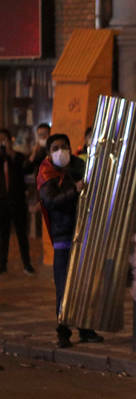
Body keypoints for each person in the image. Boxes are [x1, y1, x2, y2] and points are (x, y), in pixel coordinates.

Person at [37, 133, 104, 348]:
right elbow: (52, 201)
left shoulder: (74, 168)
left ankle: (85, 329)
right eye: (55, 147)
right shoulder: (47, 174)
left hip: (80, 232)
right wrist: (74, 191)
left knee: (83, 284)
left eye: (64, 146)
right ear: (49, 153)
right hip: (63, 237)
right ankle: (63, 332)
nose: (61, 151)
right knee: (64, 288)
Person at [0, 128, 35, 275]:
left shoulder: (18, 157)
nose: (1, 142)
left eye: (4, 139)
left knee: (22, 235)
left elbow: (27, 169)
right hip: (1, 204)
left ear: (9, 140)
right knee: (2, 236)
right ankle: (2, 265)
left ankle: (27, 264)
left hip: (18, 202)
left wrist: (10, 152)